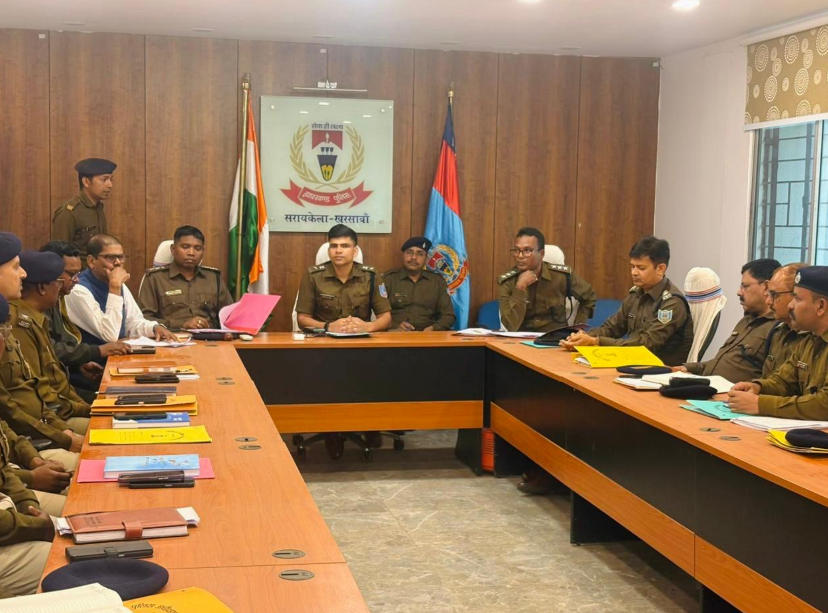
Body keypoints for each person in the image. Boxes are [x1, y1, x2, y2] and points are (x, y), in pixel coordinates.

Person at [0, 233, 84, 454]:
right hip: (33, 437)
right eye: (15, 267)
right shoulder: (16, 322)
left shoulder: (29, 318)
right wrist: (62, 437)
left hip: (45, 425)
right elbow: (11, 408)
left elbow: (36, 389)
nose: (23, 274)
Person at [562, 236, 694, 366]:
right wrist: (583, 337)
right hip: (635, 362)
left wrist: (596, 341)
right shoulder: (636, 293)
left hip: (662, 368)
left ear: (660, 269)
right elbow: (612, 327)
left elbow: (647, 344)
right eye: (632, 267)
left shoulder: (672, 302)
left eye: (641, 268)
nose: (634, 272)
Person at [729, 266, 828, 420]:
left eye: (797, 299)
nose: (790, 305)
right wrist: (757, 387)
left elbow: (824, 405)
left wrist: (761, 404)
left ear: (820, 306)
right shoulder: (811, 339)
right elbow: (784, 382)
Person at [10, 251, 91, 434]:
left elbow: (56, 379)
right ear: (42, 288)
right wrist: (83, 408)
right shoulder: (19, 324)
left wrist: (83, 405)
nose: (60, 289)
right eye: (58, 283)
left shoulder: (36, 318)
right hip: (50, 419)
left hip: (60, 411)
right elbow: (38, 391)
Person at [39, 241, 131, 402]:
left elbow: (60, 345)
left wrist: (78, 365)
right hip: (53, 394)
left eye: (78, 274)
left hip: (67, 380)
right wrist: (98, 351)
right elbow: (50, 350)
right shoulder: (44, 304)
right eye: (71, 274)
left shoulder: (57, 298)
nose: (76, 280)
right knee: (118, 402)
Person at [677, 259, 779, 382]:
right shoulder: (746, 321)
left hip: (730, 392)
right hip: (709, 386)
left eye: (745, 286)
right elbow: (719, 363)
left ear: (766, 287)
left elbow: (772, 381)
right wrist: (687, 368)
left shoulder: (777, 328)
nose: (739, 292)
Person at [65, 235, 178, 345]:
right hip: (96, 355)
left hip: (119, 351)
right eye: (110, 258)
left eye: (121, 257)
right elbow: (109, 336)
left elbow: (133, 323)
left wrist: (154, 327)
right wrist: (114, 288)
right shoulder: (78, 290)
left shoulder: (117, 283)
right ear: (91, 261)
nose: (118, 262)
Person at [296, 224, 392, 334]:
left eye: (345, 246)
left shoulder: (371, 276)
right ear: (328, 251)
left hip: (360, 339)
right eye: (333, 246)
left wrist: (367, 326)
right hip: (324, 339)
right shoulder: (313, 276)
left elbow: (386, 318)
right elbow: (302, 319)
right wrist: (328, 326)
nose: (338, 251)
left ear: (355, 251)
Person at [499, 228, 596, 332]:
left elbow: (589, 296)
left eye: (527, 251)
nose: (520, 256)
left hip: (554, 338)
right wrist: (520, 288)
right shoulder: (508, 282)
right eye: (517, 250)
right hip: (520, 339)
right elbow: (510, 326)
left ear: (541, 254)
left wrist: (577, 328)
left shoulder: (561, 276)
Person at [138, 225, 233, 331]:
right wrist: (182, 324)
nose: (191, 253)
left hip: (211, 338)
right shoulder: (154, 279)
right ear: (173, 249)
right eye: (185, 247)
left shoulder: (214, 278)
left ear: (203, 251)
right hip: (171, 338)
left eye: (197, 248)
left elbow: (230, 316)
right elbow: (144, 320)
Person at [384, 236, 455, 331]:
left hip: (430, 336)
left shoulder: (437, 281)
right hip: (396, 335)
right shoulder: (388, 279)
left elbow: (449, 315)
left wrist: (433, 328)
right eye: (409, 252)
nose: (414, 257)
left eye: (420, 254)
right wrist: (395, 327)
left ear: (426, 259)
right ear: (402, 255)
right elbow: (377, 315)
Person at [52, 158, 115, 263]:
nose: (110, 185)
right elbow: (59, 253)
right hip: (79, 272)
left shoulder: (98, 208)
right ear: (86, 181)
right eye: (104, 180)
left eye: (111, 179)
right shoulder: (70, 212)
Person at [762, 263, 809, 378]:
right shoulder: (777, 332)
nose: (768, 301)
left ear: (796, 295)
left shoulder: (814, 338)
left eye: (774, 295)